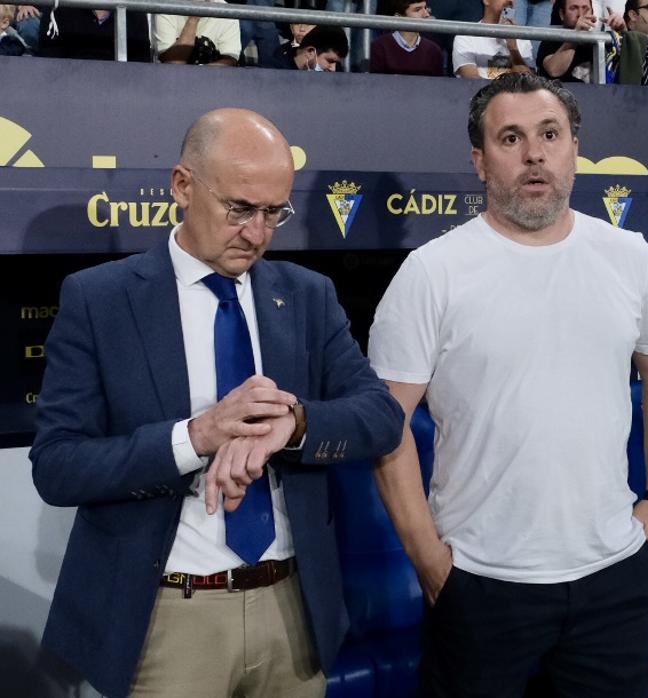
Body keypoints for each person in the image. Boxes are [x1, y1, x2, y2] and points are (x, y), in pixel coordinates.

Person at [30, 108, 405, 698]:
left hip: (295, 610)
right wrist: (197, 437)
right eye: (239, 209)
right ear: (182, 185)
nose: (256, 234)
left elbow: (381, 417)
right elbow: (57, 467)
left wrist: (296, 422)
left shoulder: (307, 295)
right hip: (167, 621)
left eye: (274, 213)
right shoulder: (99, 300)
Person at [369, 72, 648, 698]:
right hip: (480, 584)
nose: (534, 153)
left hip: (616, 577)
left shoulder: (632, 257)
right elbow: (387, 424)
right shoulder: (431, 272)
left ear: (574, 148)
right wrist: (429, 559)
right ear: (480, 161)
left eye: (550, 134)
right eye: (510, 138)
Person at [452, 0, 536, 78]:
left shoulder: (522, 39)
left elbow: (528, 84)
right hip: (479, 93)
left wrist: (513, 48)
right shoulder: (465, 37)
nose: (510, 0)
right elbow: (470, 81)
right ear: (486, 0)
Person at [152, 0, 242, 65]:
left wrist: (199, 77)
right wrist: (194, 18)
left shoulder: (227, 12)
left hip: (214, 81)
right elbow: (172, 62)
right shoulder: (166, 6)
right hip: (173, 81)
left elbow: (229, 61)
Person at [369, 0, 445, 76]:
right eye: (417, 10)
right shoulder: (379, 47)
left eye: (425, 8)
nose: (426, 14)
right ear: (398, 17)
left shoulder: (434, 51)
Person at [538, 0, 598, 82]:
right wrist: (576, 35)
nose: (580, 14)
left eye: (585, 8)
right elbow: (553, 71)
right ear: (562, 14)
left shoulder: (598, 40)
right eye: (574, 8)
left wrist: (619, 31)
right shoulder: (551, 39)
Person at [276, 25, 349, 70]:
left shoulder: (335, 70)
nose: (333, 69)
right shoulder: (275, 71)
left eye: (336, 63)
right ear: (310, 52)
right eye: (330, 61)